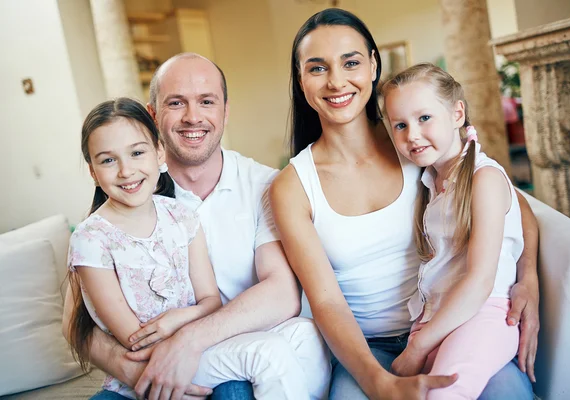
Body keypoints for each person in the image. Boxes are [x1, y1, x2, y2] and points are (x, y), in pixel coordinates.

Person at [269, 8, 539, 400]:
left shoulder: (416, 144)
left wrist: (527, 279)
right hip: (368, 350)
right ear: (300, 79)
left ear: (374, 65)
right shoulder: (293, 186)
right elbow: (326, 301)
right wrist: (378, 380)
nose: (336, 80)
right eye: (317, 68)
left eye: (351, 62)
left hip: (456, 328)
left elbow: (512, 204)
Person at [62, 54, 331, 400]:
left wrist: (191, 339)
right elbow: (75, 315)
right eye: (176, 103)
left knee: (304, 337)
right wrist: (145, 373)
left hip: (232, 342)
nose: (193, 117)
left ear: (225, 111)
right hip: (163, 357)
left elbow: (282, 293)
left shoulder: (263, 185)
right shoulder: (133, 196)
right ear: (154, 114)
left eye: (206, 101)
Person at [380, 63, 522, 399]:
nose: (411, 134)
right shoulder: (430, 182)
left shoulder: (483, 179)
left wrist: (417, 348)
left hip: (483, 314)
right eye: (400, 125)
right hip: (440, 319)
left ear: (457, 113)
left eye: (424, 118)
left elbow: (479, 282)